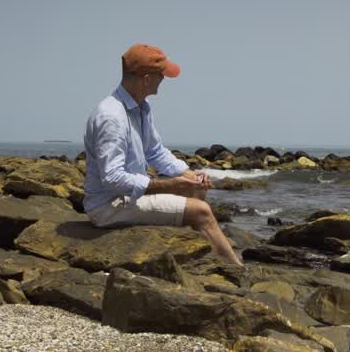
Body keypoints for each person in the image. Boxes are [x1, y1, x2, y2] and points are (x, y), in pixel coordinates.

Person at [81, 43, 241, 265]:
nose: (163, 80)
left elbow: (155, 152)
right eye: (161, 75)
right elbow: (112, 178)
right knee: (201, 212)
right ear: (146, 78)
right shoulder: (112, 118)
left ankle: (192, 259)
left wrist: (188, 175)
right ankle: (236, 271)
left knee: (195, 193)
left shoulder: (141, 108)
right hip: (108, 206)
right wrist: (168, 185)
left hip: (124, 196)